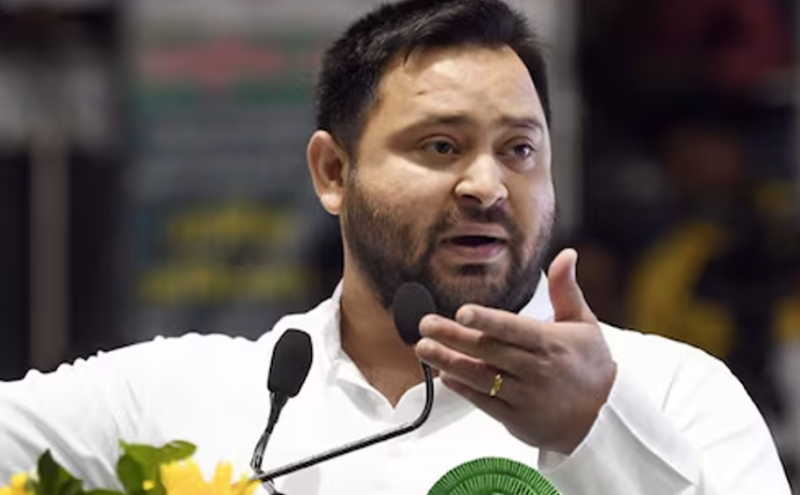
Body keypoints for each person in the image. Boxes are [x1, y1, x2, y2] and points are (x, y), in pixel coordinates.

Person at [0, 1, 792, 494]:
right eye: (441, 146)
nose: (486, 184)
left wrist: (595, 432)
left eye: (519, 150)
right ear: (333, 172)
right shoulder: (185, 396)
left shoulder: (675, 393)